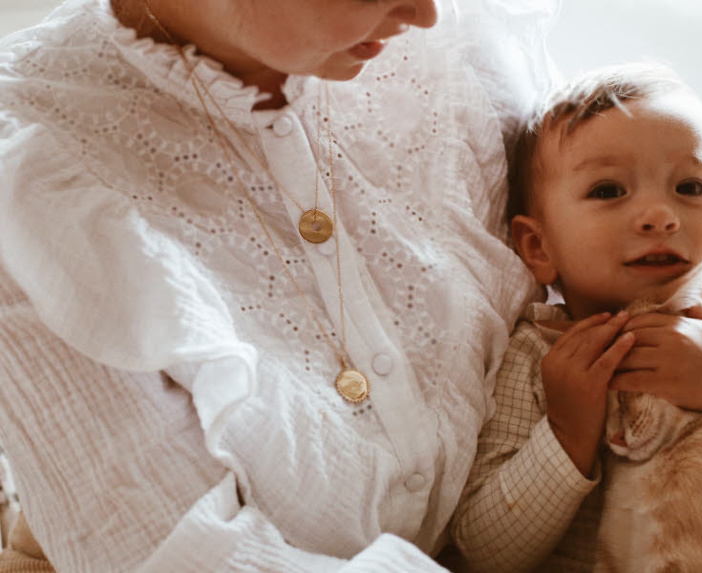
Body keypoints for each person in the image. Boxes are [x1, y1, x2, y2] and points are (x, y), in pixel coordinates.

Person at [0, 0, 561, 570]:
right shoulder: (34, 174)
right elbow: (188, 555)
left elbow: (590, 275)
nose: (424, 14)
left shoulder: (462, 50)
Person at [451, 63, 702, 571]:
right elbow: (485, 551)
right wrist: (565, 432)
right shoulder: (538, 358)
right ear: (538, 246)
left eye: (691, 187)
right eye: (608, 191)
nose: (661, 216)